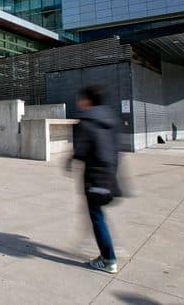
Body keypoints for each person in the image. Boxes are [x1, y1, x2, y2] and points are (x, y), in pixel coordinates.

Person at [67, 85, 122, 274]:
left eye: (81, 98)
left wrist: (71, 159)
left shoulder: (86, 122)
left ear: (88, 101)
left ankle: (109, 258)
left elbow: (81, 152)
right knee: (98, 216)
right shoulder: (110, 119)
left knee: (97, 217)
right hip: (109, 175)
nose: (79, 102)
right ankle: (107, 252)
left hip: (94, 178)